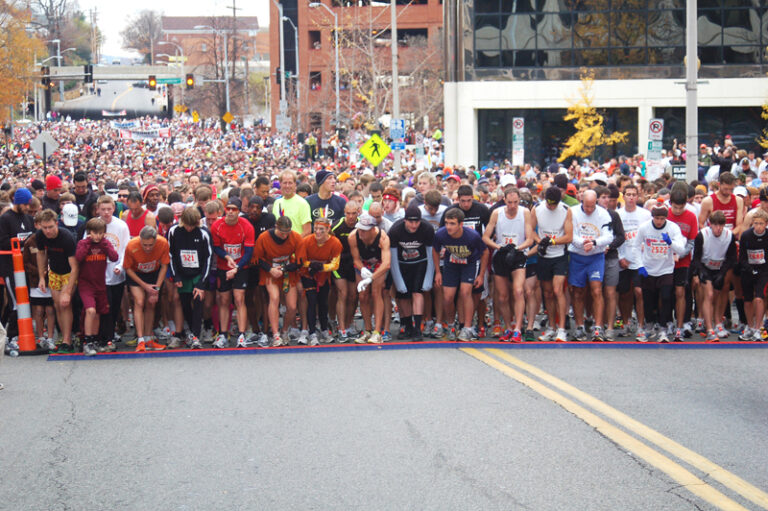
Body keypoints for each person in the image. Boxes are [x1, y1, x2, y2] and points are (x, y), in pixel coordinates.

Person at [482, 187, 533, 342]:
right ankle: (508, 328)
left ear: (519, 201)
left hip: (518, 254)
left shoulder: (524, 212)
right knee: (502, 296)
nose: (512, 206)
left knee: (518, 291)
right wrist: (499, 247)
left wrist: (517, 248)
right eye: (509, 202)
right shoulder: (497, 213)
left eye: (515, 202)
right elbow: (486, 237)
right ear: (504, 200)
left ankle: (517, 328)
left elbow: (530, 239)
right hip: (501, 254)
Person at [634, 201, 687, 342]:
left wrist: (670, 242)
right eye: (656, 218)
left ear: (666, 218)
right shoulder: (644, 228)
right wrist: (640, 265)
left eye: (662, 219)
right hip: (648, 268)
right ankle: (649, 326)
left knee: (665, 298)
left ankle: (663, 328)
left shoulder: (673, 228)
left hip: (666, 269)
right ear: (652, 217)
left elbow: (681, 249)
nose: (659, 221)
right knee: (648, 300)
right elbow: (635, 247)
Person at [432, 208, 488, 342]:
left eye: (452, 223)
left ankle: (467, 328)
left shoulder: (472, 236)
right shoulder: (441, 234)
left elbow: (485, 252)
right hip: (451, 265)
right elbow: (435, 250)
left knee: (465, 292)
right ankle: (451, 325)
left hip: (468, 264)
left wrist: (480, 275)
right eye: (446, 223)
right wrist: (438, 272)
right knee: (447, 297)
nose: (448, 227)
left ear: (461, 224)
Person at [210, 197, 255, 348]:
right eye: (227, 208)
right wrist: (227, 257)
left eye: (234, 209)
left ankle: (242, 334)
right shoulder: (217, 226)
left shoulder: (246, 226)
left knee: (239, 299)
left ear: (239, 211)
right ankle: (223, 333)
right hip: (224, 266)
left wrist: (237, 268)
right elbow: (216, 247)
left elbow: (249, 253)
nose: (230, 212)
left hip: (241, 267)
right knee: (223, 300)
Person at [568, 189, 613, 342]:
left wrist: (594, 243)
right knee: (578, 292)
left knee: (596, 290)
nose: (589, 210)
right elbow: (570, 233)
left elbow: (609, 236)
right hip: (577, 255)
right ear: (581, 202)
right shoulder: (573, 212)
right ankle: (579, 326)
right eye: (586, 206)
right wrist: (582, 243)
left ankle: (598, 327)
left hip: (595, 256)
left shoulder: (603, 214)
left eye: (592, 206)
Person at [168, 207, 214, 349]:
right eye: (187, 225)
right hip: (182, 273)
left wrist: (201, 282)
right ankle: (189, 332)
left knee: (198, 301)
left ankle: (195, 335)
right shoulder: (173, 231)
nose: (189, 228)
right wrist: (176, 276)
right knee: (185, 303)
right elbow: (171, 255)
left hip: (198, 273)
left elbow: (209, 258)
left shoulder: (204, 233)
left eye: (192, 225)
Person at [531, 186, 573, 343]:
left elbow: (569, 236)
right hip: (544, 255)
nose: (551, 206)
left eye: (554, 204)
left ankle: (561, 329)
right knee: (547, 293)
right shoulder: (537, 209)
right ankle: (551, 327)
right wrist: (539, 241)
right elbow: (531, 229)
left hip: (559, 255)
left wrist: (553, 241)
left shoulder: (566, 210)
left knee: (557, 290)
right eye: (549, 203)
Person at [253, 215, 303, 346]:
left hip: (287, 272)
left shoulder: (296, 237)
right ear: (276, 227)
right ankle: (275, 334)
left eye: (287, 233)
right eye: (282, 232)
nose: (285, 236)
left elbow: (300, 261)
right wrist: (270, 269)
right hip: (270, 271)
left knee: (292, 306)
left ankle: (285, 330)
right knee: (274, 298)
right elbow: (256, 259)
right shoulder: (264, 237)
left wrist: (285, 268)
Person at [389, 203, 435, 341]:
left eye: (416, 222)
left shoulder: (427, 228)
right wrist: (398, 280)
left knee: (417, 293)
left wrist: (428, 277)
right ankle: (407, 325)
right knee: (403, 295)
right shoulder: (395, 230)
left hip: (420, 263)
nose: (414, 225)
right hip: (402, 264)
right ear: (405, 220)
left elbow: (431, 253)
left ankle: (417, 328)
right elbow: (392, 257)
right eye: (411, 222)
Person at [35, 209, 78, 353]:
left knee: (65, 304)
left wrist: (68, 291)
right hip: (54, 271)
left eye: (51, 227)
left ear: (57, 223)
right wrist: (41, 277)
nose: (48, 231)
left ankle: (67, 340)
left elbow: (75, 267)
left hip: (68, 272)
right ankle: (64, 337)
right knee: (57, 305)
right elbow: (41, 254)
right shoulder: (40, 235)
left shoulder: (66, 237)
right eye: (44, 227)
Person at [297, 213, 343, 345]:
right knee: (311, 301)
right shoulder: (306, 241)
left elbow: (335, 265)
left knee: (323, 303)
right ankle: (311, 333)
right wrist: (311, 265)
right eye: (316, 229)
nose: (318, 232)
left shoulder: (335, 243)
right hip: (308, 274)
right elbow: (301, 261)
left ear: (328, 229)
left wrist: (320, 267)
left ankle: (324, 329)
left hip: (324, 276)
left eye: (321, 229)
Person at [691, 211, 737, 342]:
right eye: (716, 225)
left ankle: (718, 323)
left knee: (720, 294)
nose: (718, 229)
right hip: (705, 267)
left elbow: (732, 257)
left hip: (720, 267)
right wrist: (700, 273)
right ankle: (710, 328)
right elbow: (696, 258)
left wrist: (722, 273)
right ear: (710, 225)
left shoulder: (729, 236)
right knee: (709, 294)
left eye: (721, 225)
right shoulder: (702, 235)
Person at [75, 217, 118, 356]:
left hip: (100, 283)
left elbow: (114, 257)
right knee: (91, 310)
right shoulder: (83, 243)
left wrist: (105, 244)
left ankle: (95, 340)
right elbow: (79, 257)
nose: (97, 236)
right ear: (89, 232)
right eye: (95, 233)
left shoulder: (104, 244)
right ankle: (87, 341)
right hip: (86, 283)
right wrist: (88, 243)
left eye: (100, 233)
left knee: (98, 313)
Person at [123, 226, 169, 352]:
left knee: (151, 303)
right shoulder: (132, 245)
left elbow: (164, 266)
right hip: (136, 274)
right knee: (139, 302)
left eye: (150, 245)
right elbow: (127, 268)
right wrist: (144, 286)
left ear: (155, 240)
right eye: (145, 245)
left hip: (154, 273)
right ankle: (140, 339)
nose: (148, 248)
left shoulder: (163, 243)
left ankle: (148, 338)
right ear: (140, 239)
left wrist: (157, 289)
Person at [349, 213, 391, 344]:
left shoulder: (383, 238)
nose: (361, 233)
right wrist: (362, 269)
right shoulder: (353, 237)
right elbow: (355, 259)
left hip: (379, 264)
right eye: (359, 229)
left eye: (364, 230)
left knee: (376, 293)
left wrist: (371, 278)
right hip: (363, 263)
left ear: (373, 229)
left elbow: (386, 264)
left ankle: (377, 332)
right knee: (362, 295)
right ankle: (367, 330)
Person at [94, 195, 130, 348]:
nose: (106, 212)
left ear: (114, 209)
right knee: (104, 306)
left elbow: (125, 249)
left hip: (116, 274)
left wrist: (120, 266)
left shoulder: (121, 226)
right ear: (98, 210)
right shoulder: (94, 225)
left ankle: (110, 334)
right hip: (99, 274)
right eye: (103, 209)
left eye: (109, 209)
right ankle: (104, 337)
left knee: (114, 306)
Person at [617, 184, 651, 338]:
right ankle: (626, 323)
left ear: (638, 197)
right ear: (623, 196)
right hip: (623, 258)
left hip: (640, 260)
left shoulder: (645, 214)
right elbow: (615, 237)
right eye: (628, 194)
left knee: (639, 292)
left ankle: (641, 325)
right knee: (624, 293)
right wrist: (620, 257)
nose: (631, 197)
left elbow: (650, 236)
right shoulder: (618, 215)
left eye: (633, 194)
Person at [0, 188, 35, 341]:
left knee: (25, 300)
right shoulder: (5, 219)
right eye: (26, 204)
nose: (28, 207)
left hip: (25, 267)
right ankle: (11, 336)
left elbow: (33, 238)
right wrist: (22, 242)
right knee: (15, 302)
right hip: (10, 267)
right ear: (17, 201)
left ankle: (18, 334)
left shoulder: (28, 219)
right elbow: (3, 242)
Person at [667, 185, 698, 341]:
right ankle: (668, 322)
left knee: (682, 292)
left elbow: (692, 242)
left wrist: (681, 253)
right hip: (665, 261)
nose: (677, 210)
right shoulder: (665, 214)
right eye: (675, 207)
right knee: (667, 293)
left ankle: (682, 323)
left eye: (681, 207)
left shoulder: (691, 216)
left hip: (683, 261)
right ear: (670, 203)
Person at [596, 185, 625, 341]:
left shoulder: (613, 215)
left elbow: (621, 236)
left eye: (608, 197)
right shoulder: (592, 215)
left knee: (610, 292)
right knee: (595, 292)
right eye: (603, 197)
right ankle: (597, 325)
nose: (606, 200)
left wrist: (609, 246)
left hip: (611, 257)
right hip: (594, 257)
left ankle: (609, 327)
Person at [331, 201, 361, 342]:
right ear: (344, 213)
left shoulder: (363, 225)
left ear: (358, 213)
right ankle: (341, 328)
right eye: (348, 213)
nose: (350, 217)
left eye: (353, 213)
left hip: (354, 264)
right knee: (343, 294)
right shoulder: (336, 225)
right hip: (339, 264)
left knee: (353, 295)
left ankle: (349, 325)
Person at [737, 209, 768, 341]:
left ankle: (758, 328)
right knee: (748, 300)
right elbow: (742, 256)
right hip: (748, 270)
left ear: (766, 224)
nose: (758, 226)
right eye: (755, 223)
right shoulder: (746, 236)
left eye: (761, 223)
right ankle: (749, 327)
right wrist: (748, 268)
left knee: (759, 298)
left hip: (764, 271)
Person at [273, 170, 311, 236]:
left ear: (295, 184)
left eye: (290, 183)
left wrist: (294, 243)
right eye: (285, 183)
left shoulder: (302, 203)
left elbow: (307, 231)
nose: (287, 186)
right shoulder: (277, 203)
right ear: (280, 184)